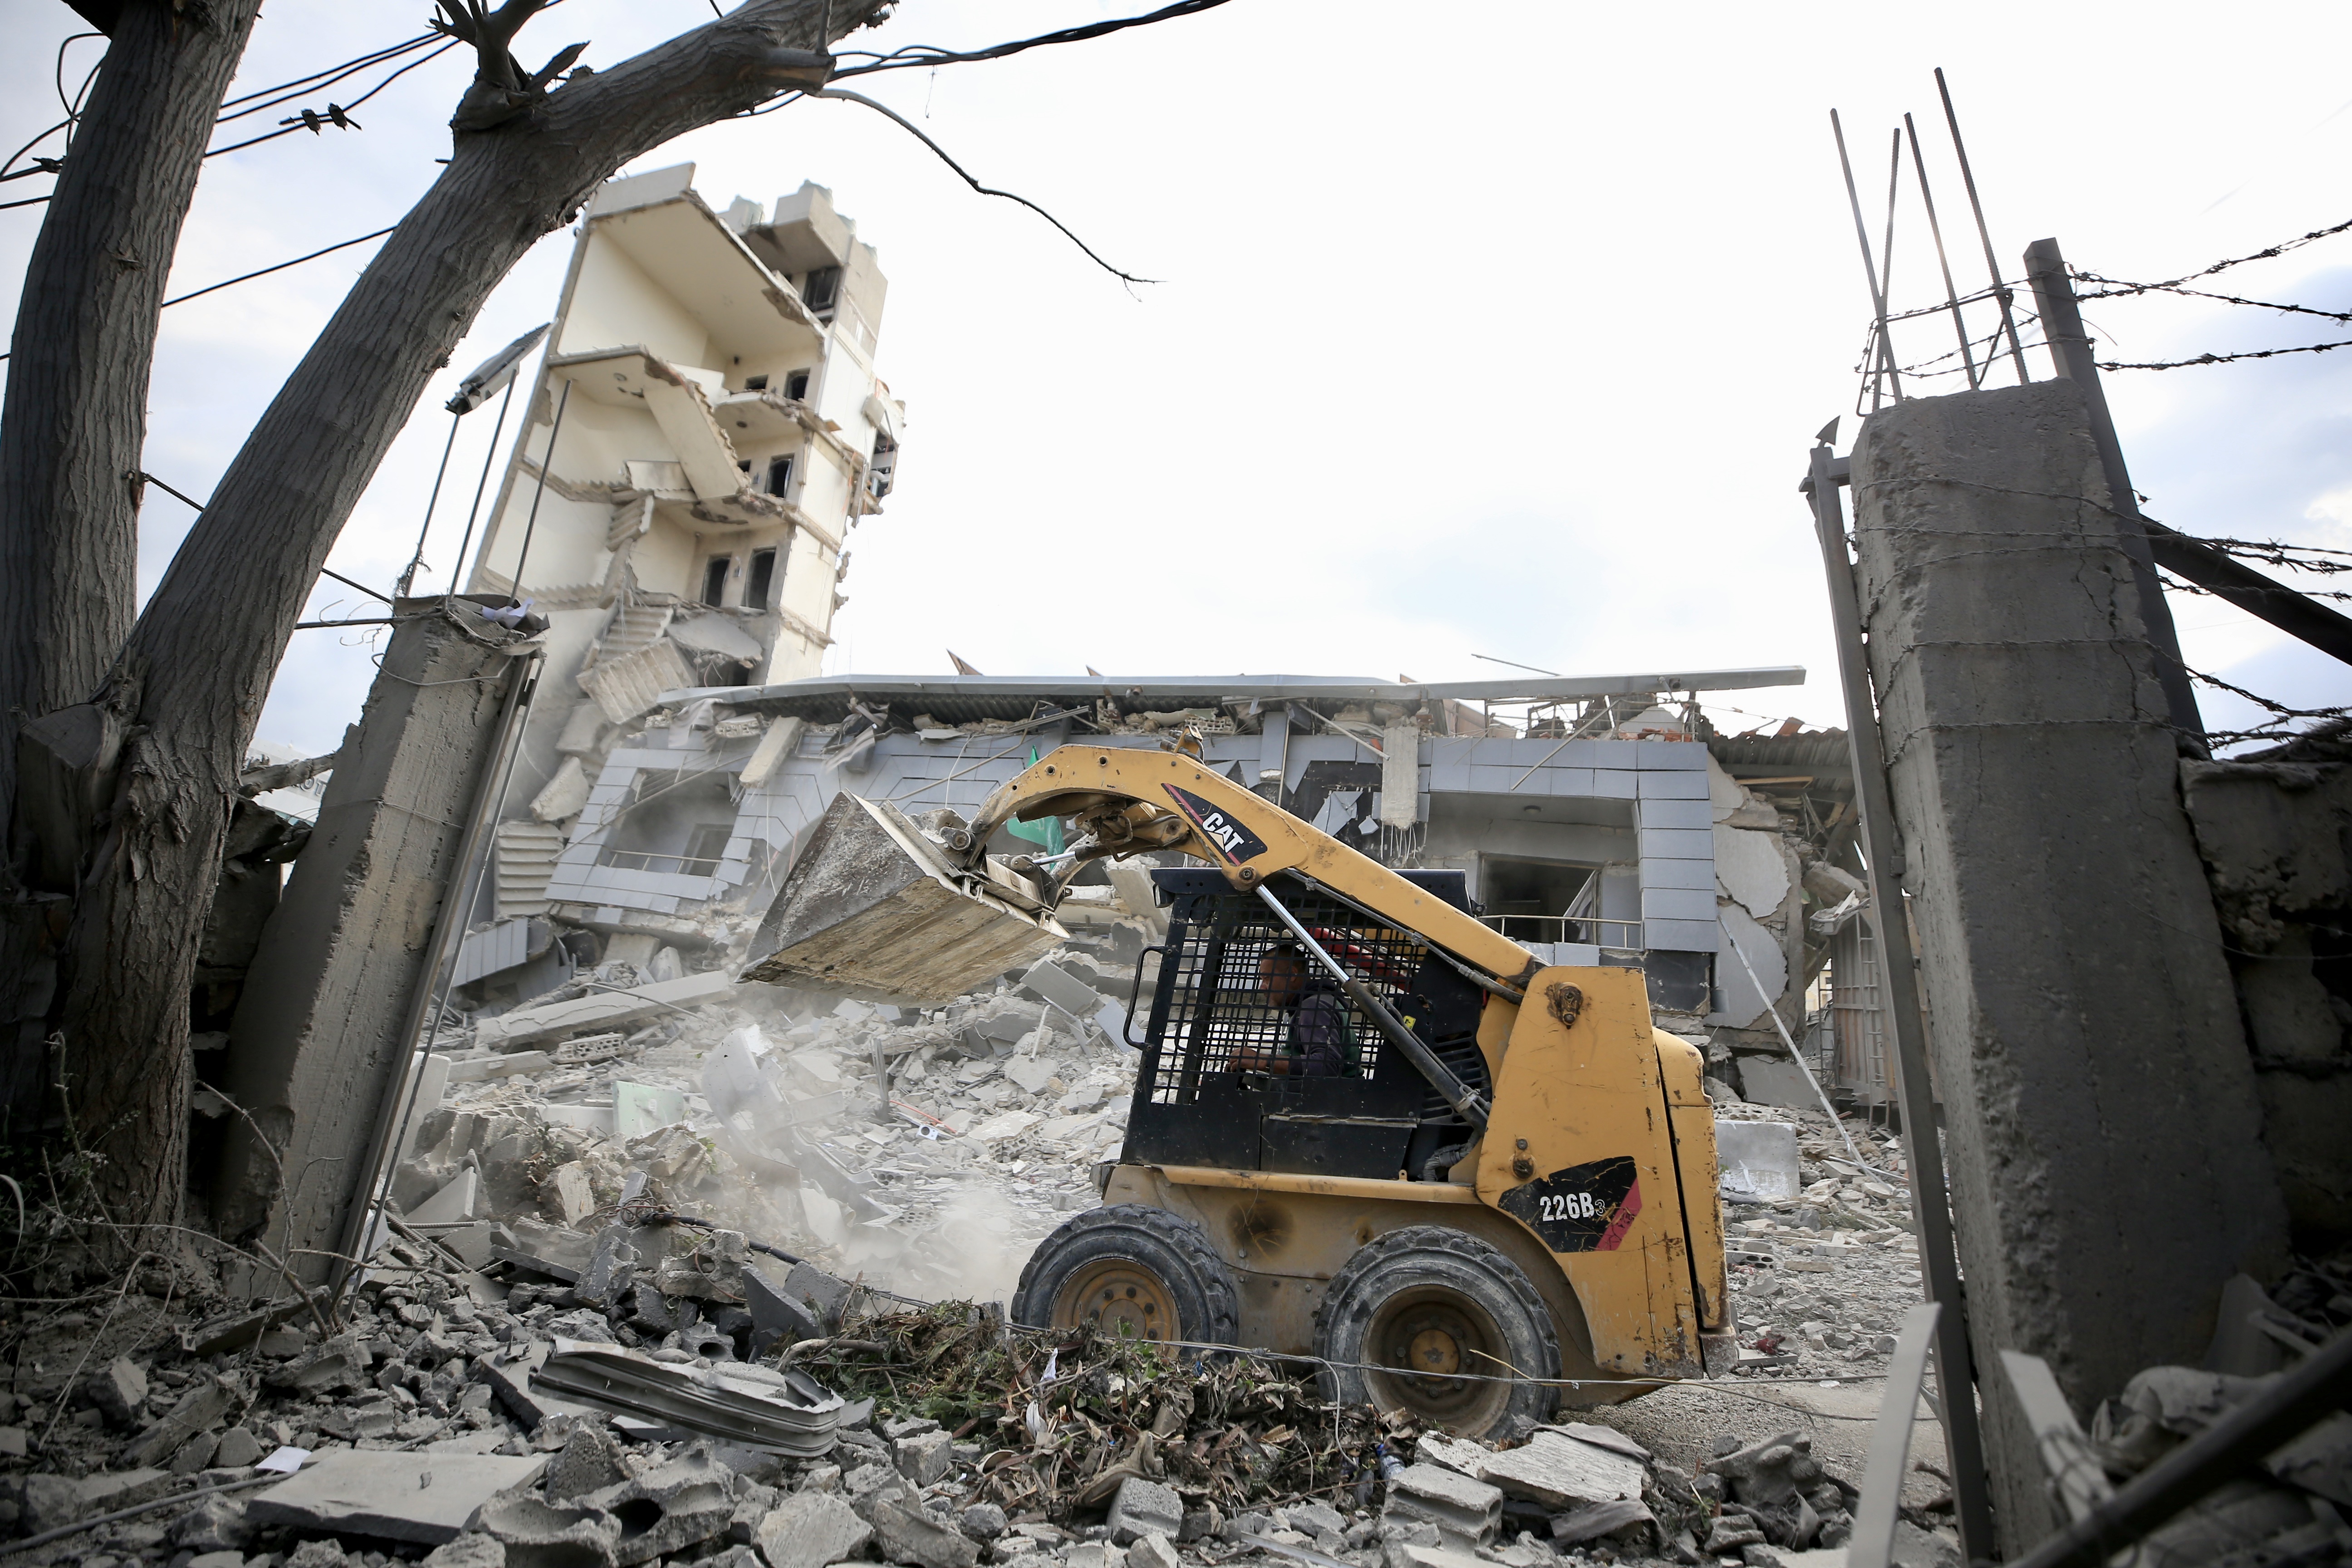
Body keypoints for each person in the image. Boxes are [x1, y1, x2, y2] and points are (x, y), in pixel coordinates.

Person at [1235, 944, 1355, 1077]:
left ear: (1292, 974)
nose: (1263, 987)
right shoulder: (1316, 1003)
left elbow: (1326, 1066)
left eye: (1267, 978)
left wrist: (1263, 1061)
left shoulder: (1313, 1007)